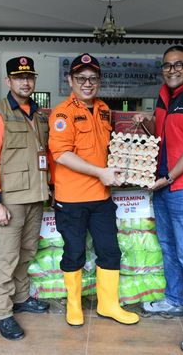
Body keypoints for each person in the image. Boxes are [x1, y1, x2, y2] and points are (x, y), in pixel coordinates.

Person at [132, 45, 183, 353]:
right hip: (164, 185)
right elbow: (166, 135)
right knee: (167, 245)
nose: (171, 70)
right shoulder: (164, 95)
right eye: (167, 65)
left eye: (178, 65)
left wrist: (167, 178)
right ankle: (172, 299)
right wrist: (147, 124)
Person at [49, 53, 139, 327]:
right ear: (70, 80)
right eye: (81, 78)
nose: (87, 83)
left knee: (110, 251)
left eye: (93, 78)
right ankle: (74, 305)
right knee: (74, 252)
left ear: (99, 81)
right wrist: (101, 173)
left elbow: (107, 148)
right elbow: (61, 154)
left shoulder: (102, 109)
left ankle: (108, 305)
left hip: (101, 197)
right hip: (72, 199)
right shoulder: (62, 113)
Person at [0, 56, 50, 341]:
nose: (25, 81)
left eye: (30, 77)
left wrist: (51, 188)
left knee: (27, 252)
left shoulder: (38, 114)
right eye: (19, 77)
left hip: (36, 196)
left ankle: (21, 298)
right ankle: (1, 314)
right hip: (10, 199)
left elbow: (44, 154)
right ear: (8, 81)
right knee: (5, 257)